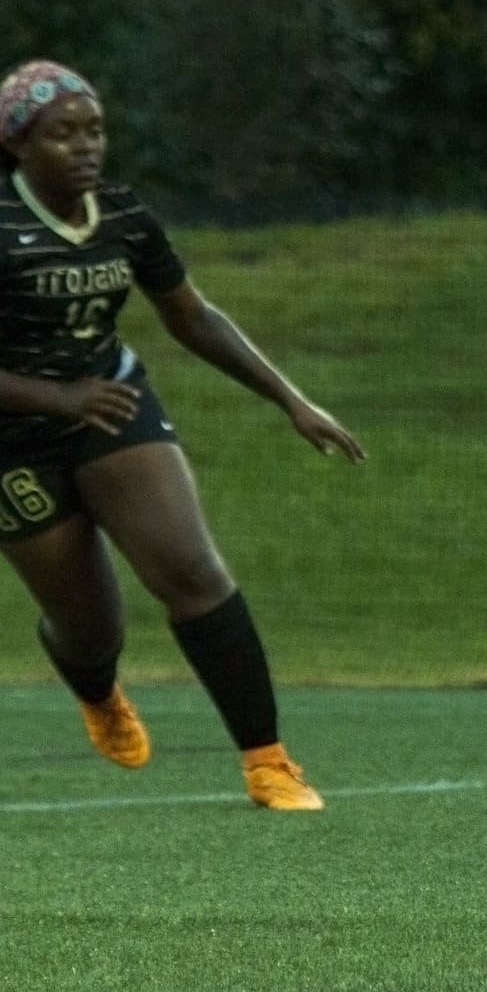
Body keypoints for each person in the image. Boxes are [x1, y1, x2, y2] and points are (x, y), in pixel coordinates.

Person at [0, 60, 364, 811]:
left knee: (190, 569)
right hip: (14, 441)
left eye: (94, 130)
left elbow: (191, 316)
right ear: (17, 144)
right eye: (62, 133)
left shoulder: (126, 216)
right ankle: (97, 689)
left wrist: (291, 399)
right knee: (92, 625)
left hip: (110, 405)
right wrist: (56, 396)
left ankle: (268, 762)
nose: (85, 146)